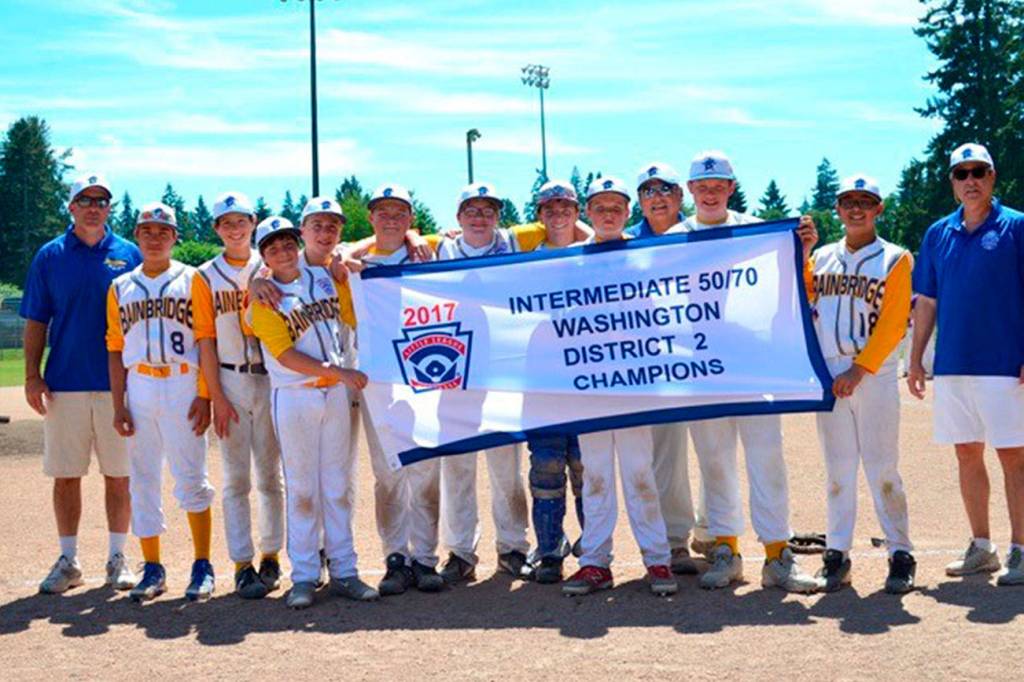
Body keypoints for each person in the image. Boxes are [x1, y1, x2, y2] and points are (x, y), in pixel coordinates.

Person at [671, 150, 818, 593]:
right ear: (690, 190)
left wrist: (802, 251)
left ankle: (777, 554)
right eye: (703, 186)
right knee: (714, 461)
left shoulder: (759, 232)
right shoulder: (674, 239)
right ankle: (726, 549)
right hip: (703, 368)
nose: (710, 193)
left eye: (718, 186)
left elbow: (790, 286)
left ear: (731, 188)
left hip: (755, 366)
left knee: (767, 458)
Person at [909, 143, 1024, 586]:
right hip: (954, 363)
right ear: (953, 183)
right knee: (966, 452)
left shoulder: (1016, 226)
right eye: (962, 173)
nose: (970, 180)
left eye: (979, 172)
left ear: (992, 177)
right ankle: (982, 546)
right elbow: (927, 300)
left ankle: (1022, 550)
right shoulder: (938, 233)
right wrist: (916, 358)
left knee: (1014, 456)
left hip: (1005, 363)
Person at [248, 216, 378, 608]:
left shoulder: (323, 277)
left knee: (337, 486)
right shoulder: (262, 298)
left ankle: (344, 571)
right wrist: (340, 372)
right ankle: (303, 576)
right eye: (273, 248)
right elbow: (286, 355)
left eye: (288, 243)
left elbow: (352, 315)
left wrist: (345, 273)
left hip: (334, 394)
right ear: (264, 257)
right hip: (295, 395)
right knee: (303, 490)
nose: (284, 252)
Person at [22, 173, 141, 594]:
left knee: (119, 476)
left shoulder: (129, 253)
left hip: (119, 386)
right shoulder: (50, 255)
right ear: (71, 206)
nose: (94, 207)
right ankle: (69, 560)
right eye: (85, 200)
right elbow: (37, 320)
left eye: (101, 200)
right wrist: (32, 375)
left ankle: (117, 557)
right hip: (65, 383)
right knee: (66, 475)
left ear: (109, 208)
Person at [561, 177, 677, 597]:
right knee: (595, 476)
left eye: (616, 207)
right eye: (600, 207)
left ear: (628, 212)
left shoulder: (646, 256)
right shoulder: (570, 261)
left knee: (639, 472)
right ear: (587, 213)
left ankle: (657, 559)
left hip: (632, 384)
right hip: (590, 386)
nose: (608, 214)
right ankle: (595, 562)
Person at [805, 174, 916, 593]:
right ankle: (836, 554)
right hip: (831, 372)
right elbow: (803, 297)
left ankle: (900, 552)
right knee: (838, 471)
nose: (856, 209)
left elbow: (893, 323)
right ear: (837, 208)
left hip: (874, 372)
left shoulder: (895, 258)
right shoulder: (823, 258)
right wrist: (802, 253)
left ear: (878, 209)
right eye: (849, 201)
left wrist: (859, 369)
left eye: (865, 201)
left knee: (882, 468)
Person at [105, 202, 216, 602]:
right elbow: (115, 347)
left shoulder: (193, 279)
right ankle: (152, 567)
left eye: (163, 232)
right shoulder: (120, 286)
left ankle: (202, 564)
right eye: (147, 231)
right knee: (143, 479)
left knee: (192, 477)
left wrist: (205, 393)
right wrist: (119, 404)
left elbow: (205, 338)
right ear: (136, 236)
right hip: (140, 387)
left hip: (184, 383)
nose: (155, 238)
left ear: (175, 238)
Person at [346, 186, 448, 595]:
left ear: (411, 220)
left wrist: (416, 238)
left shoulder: (429, 253)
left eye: (399, 213)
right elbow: (328, 256)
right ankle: (395, 557)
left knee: (426, 468)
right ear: (371, 218)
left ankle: (425, 557)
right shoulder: (352, 263)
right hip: (378, 378)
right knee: (387, 471)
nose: (391, 219)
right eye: (383, 212)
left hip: (424, 372)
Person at [193, 191, 284, 599]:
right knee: (235, 478)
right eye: (226, 222)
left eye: (241, 221)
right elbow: (205, 340)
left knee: (270, 475)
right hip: (229, 378)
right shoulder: (204, 276)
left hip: (271, 377)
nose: (235, 229)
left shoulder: (271, 264)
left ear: (253, 222)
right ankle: (242, 563)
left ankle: (272, 555)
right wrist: (216, 396)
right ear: (216, 228)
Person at [625, 162, 706, 574]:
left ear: (679, 195)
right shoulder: (623, 243)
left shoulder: (702, 234)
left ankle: (714, 533)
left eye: (664, 189)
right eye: (648, 191)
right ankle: (673, 542)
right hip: (653, 364)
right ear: (639, 202)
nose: (657, 198)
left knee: (715, 450)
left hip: (706, 357)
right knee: (665, 456)